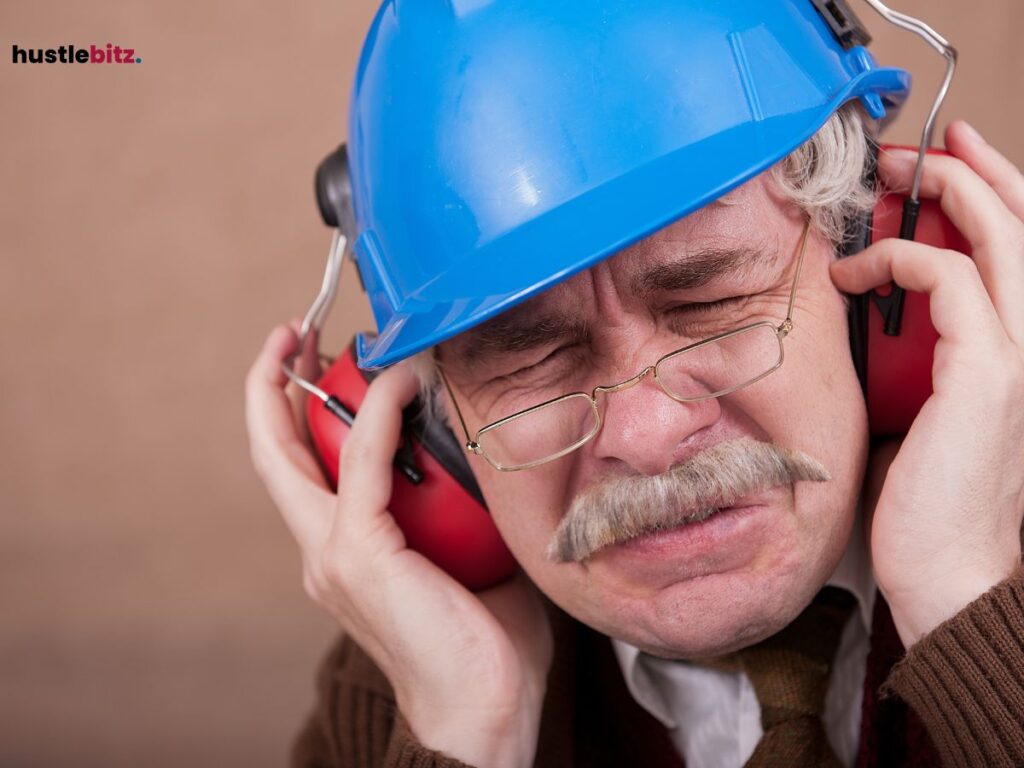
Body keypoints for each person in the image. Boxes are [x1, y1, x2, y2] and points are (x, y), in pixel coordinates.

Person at [245, 2, 1024, 766]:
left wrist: (968, 610)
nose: (649, 436)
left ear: (891, 284)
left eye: (708, 304)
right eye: (531, 359)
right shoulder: (404, 679)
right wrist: (466, 732)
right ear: (437, 432)